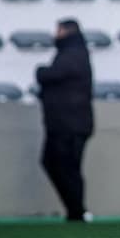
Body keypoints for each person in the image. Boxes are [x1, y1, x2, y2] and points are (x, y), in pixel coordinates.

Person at [35, 19, 94, 222]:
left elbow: (52, 75)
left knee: (64, 166)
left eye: (58, 31)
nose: (56, 34)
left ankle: (77, 210)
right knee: (66, 167)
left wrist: (40, 72)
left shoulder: (72, 54)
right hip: (69, 122)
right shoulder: (76, 53)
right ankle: (76, 210)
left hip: (68, 124)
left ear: (66, 32)